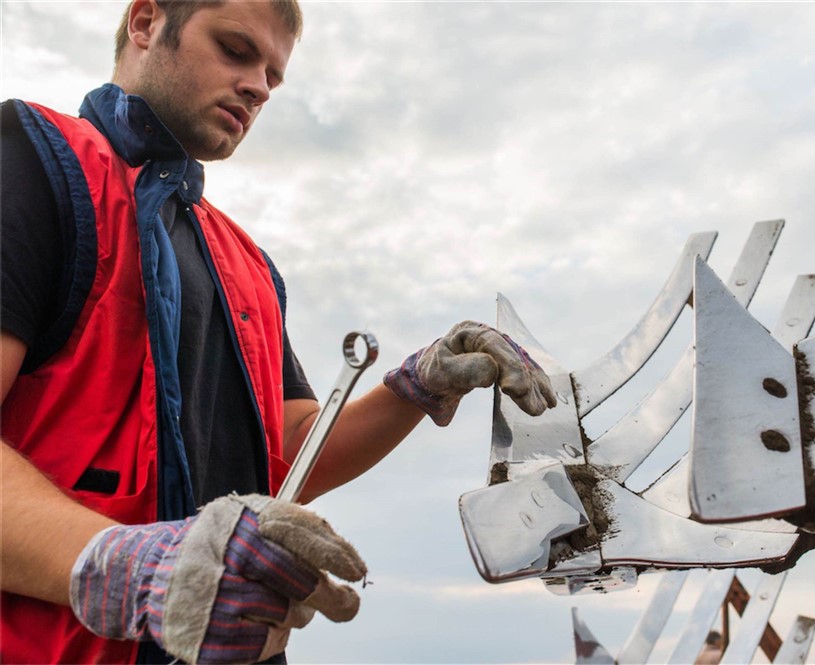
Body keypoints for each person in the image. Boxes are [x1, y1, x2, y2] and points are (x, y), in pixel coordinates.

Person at [0, 1, 556, 663]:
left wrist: (416, 386)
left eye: (273, 74)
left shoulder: (248, 264)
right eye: (236, 49)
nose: (260, 86)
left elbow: (292, 449)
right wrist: (128, 566)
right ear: (146, 23)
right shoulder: (33, 161)